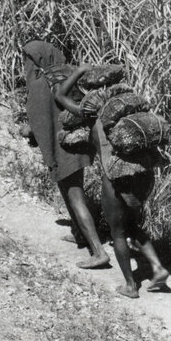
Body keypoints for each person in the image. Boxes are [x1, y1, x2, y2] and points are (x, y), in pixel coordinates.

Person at [55, 65, 169, 298]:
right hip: (143, 173)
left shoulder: (89, 113)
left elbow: (59, 96)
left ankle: (130, 285)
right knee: (133, 226)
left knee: (118, 232)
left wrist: (79, 71)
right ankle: (158, 268)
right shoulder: (129, 108)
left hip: (116, 177)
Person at [21, 41, 109, 269]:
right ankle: (81, 234)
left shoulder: (40, 85)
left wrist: (28, 129)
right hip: (78, 143)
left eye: (28, 60)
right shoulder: (68, 74)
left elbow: (37, 120)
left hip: (62, 149)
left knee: (74, 195)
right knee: (68, 191)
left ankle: (99, 251)